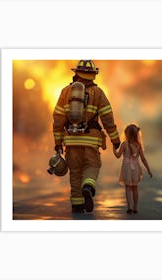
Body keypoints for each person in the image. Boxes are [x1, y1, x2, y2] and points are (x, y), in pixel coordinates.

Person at [52, 60, 121, 214]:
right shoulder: (98, 93)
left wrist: (58, 143)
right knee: (92, 166)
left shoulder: (65, 92)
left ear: (76, 73)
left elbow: (58, 118)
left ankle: (77, 205)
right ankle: (88, 187)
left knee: (75, 172)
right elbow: (108, 119)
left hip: (71, 141)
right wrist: (115, 141)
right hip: (91, 141)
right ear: (92, 75)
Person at [113, 124, 152, 214]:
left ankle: (129, 207)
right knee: (135, 187)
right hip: (136, 168)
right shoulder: (138, 145)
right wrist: (148, 170)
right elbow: (143, 159)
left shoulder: (124, 144)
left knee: (128, 187)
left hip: (127, 168)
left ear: (127, 134)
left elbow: (118, 156)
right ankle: (135, 207)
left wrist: (114, 150)